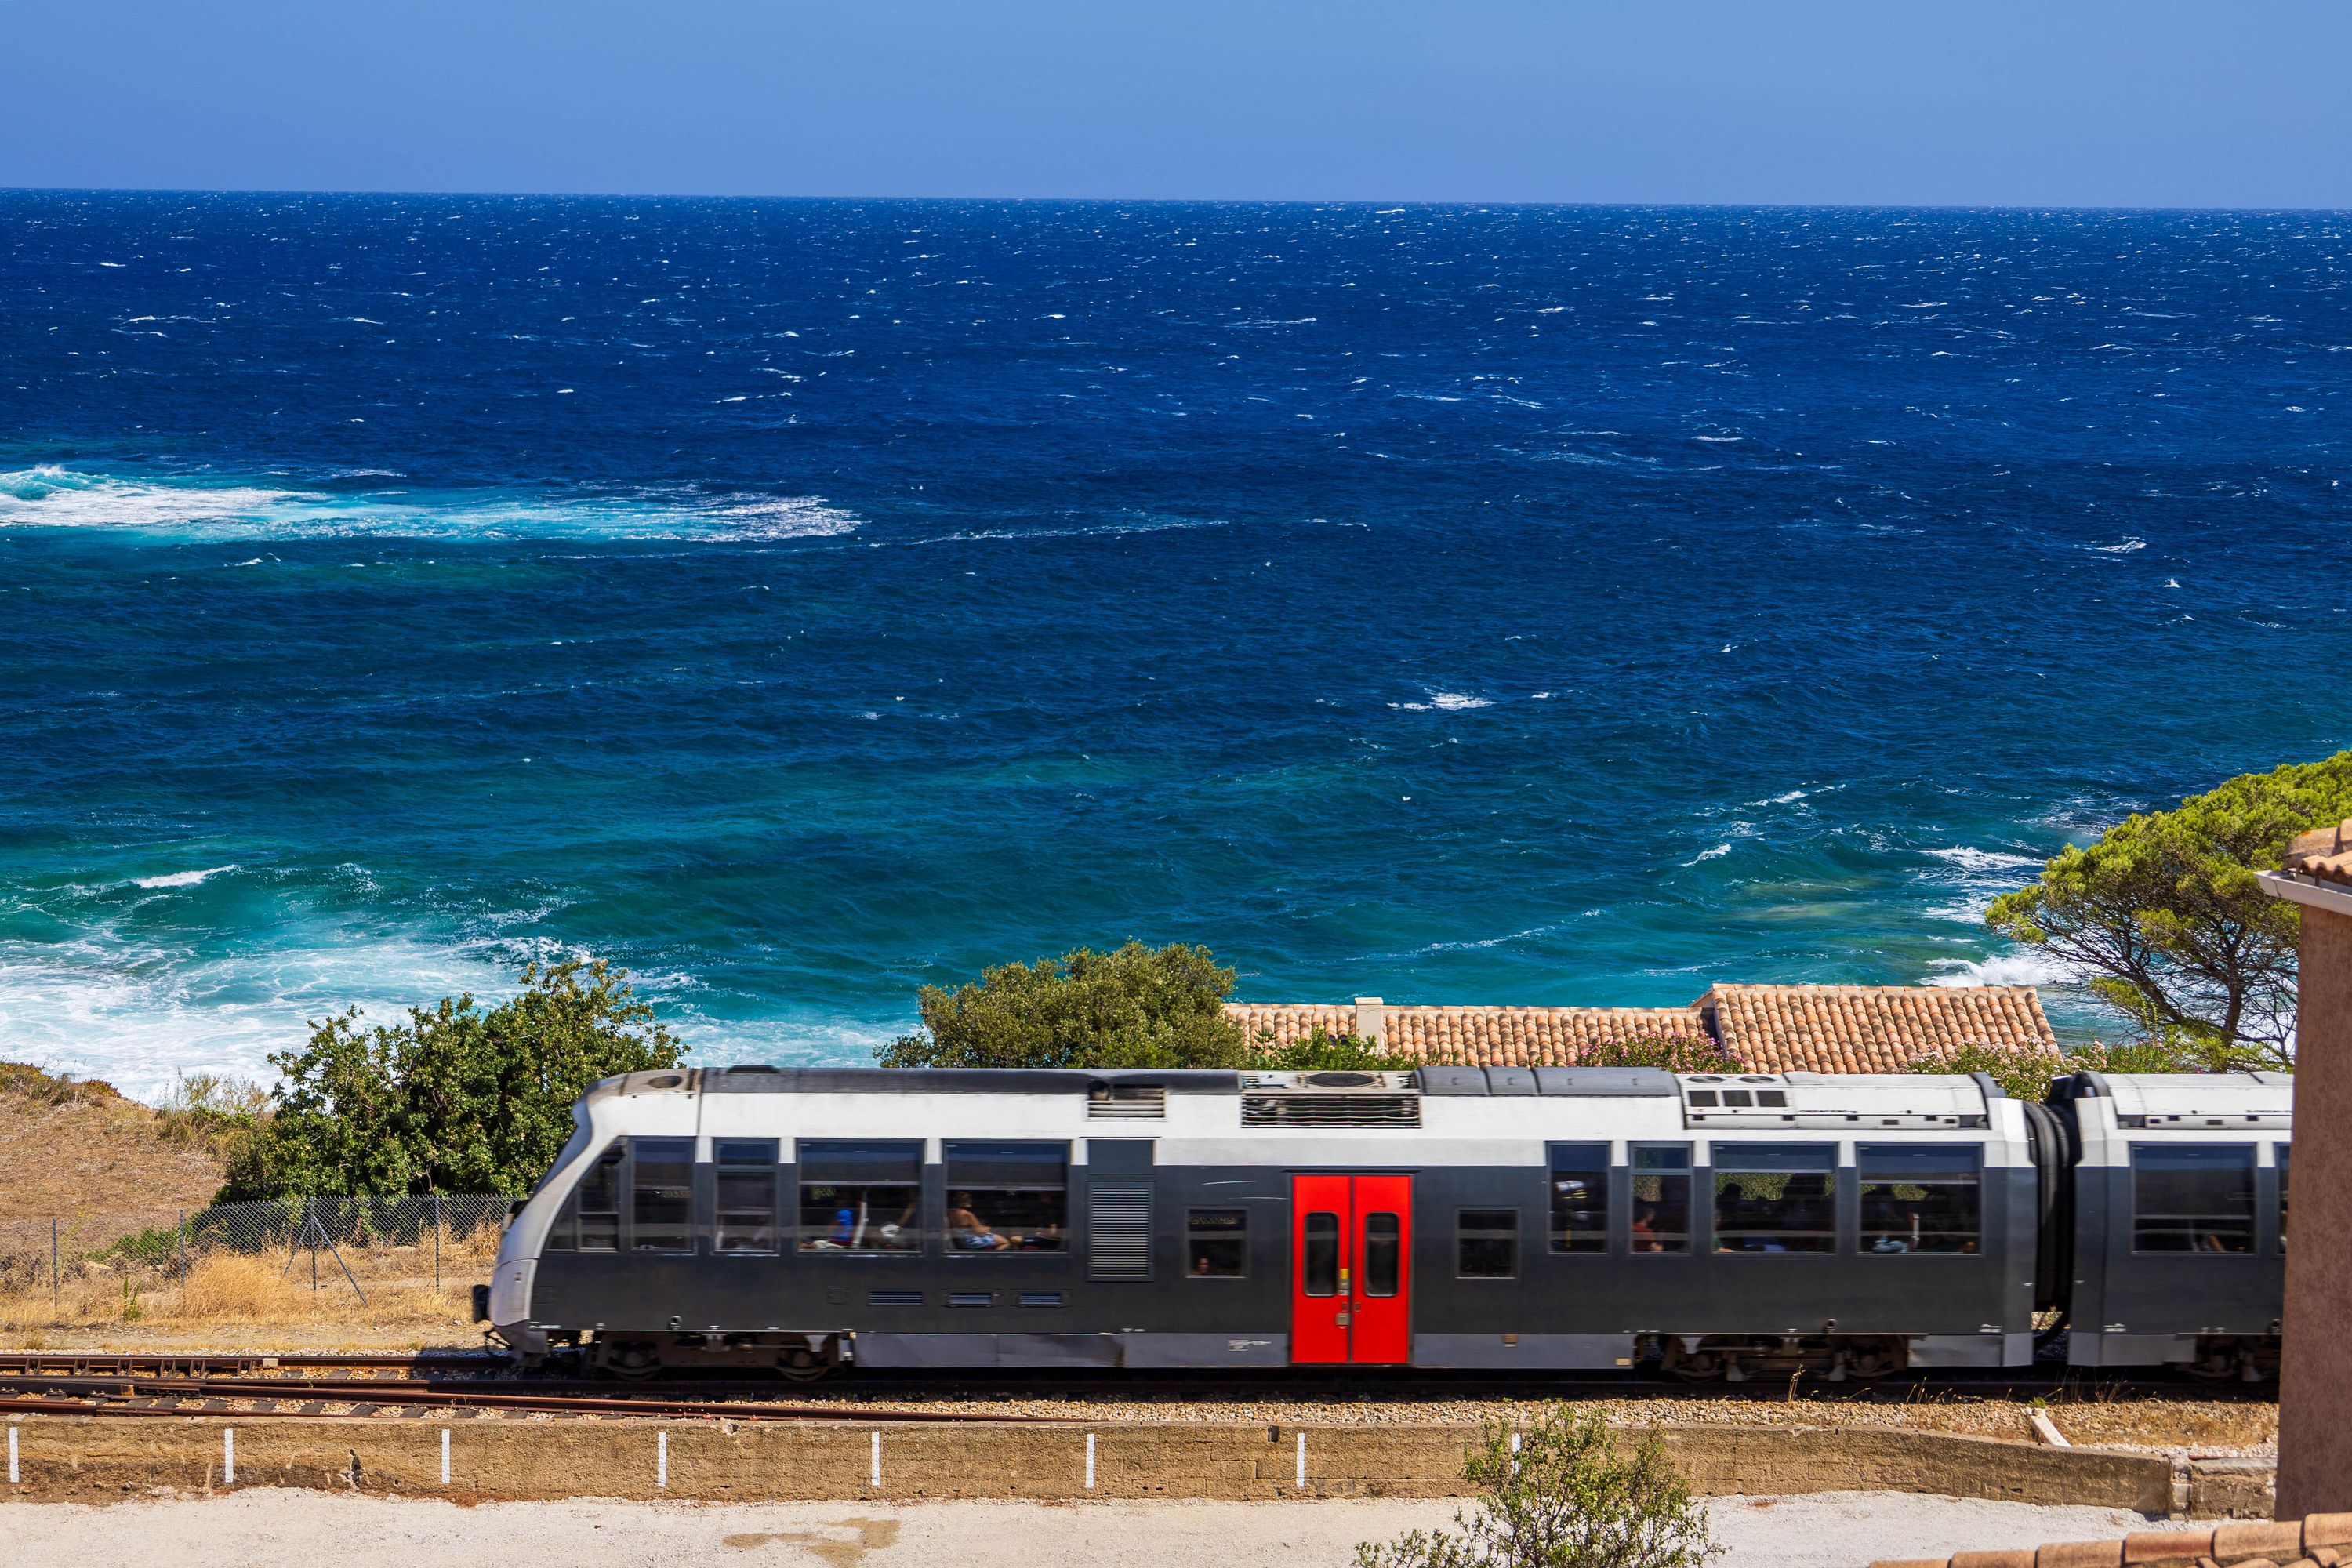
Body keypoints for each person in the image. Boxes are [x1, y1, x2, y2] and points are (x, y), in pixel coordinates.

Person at [946, 1192, 1011, 1250]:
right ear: (967, 1201)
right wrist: (988, 1228)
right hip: (972, 1242)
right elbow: (980, 1232)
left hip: (960, 1241)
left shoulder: (950, 1213)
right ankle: (993, 1258)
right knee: (1005, 1242)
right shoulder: (968, 1214)